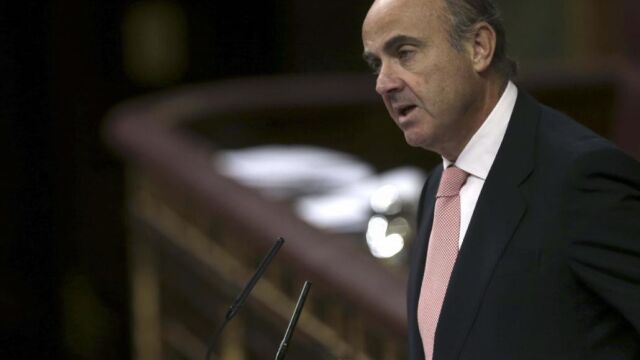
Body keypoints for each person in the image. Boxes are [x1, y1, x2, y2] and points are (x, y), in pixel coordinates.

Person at [361, 0, 640, 359]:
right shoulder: (440, 185)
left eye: (405, 52)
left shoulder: (581, 177)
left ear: (479, 48)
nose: (383, 83)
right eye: (376, 64)